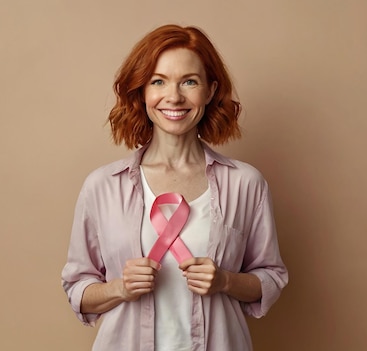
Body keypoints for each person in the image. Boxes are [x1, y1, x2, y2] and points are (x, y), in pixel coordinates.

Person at [61, 24, 288, 351]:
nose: (174, 97)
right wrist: (120, 288)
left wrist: (226, 280)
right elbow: (76, 289)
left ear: (209, 91)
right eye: (158, 81)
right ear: (142, 91)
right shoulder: (102, 187)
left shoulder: (246, 184)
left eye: (189, 82)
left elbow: (271, 279)